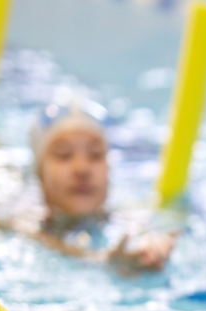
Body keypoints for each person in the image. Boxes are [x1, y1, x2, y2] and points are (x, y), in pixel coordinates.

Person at [24, 100, 175, 273]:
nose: (82, 169)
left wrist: (151, 244)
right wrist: (102, 261)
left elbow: (143, 229)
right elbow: (40, 238)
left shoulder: (127, 214)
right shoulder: (21, 219)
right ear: (40, 173)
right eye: (64, 155)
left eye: (96, 155)